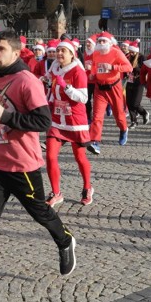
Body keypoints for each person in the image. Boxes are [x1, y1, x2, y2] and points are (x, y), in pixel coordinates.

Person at [0, 30, 75, 302]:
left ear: (15, 53)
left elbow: (43, 122)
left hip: (23, 166)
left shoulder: (26, 81)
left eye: (0, 49)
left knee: (40, 214)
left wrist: (8, 117)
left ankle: (65, 240)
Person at [43, 39, 93, 207]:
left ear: (72, 54)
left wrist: (67, 87)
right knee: (50, 156)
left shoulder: (78, 72)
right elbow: (49, 85)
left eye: (63, 51)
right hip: (57, 120)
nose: (59, 54)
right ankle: (56, 192)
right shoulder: (54, 68)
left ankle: (87, 187)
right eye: (58, 51)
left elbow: (84, 98)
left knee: (79, 157)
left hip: (74, 120)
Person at [86, 31, 133, 155]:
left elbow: (129, 67)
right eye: (99, 41)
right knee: (97, 117)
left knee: (118, 114)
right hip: (100, 88)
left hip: (114, 87)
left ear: (110, 43)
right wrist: (93, 74)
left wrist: (113, 68)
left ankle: (124, 129)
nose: (101, 43)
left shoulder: (116, 53)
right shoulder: (96, 53)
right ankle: (95, 142)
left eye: (104, 41)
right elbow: (95, 66)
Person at [124, 39, 149, 128]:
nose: (130, 53)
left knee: (135, 103)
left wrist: (134, 69)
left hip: (139, 82)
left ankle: (144, 113)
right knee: (129, 102)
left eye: (132, 52)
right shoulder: (128, 57)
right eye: (130, 52)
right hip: (130, 82)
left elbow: (145, 69)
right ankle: (134, 121)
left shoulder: (141, 57)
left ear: (136, 51)